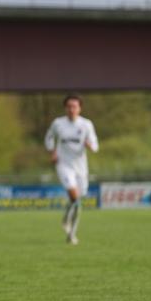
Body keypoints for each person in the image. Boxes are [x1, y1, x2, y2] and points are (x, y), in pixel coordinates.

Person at [45, 95, 98, 245]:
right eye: (69, 106)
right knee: (75, 197)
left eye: (74, 106)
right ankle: (72, 235)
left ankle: (67, 220)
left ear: (80, 108)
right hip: (64, 164)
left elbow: (95, 145)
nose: (72, 109)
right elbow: (49, 137)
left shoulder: (86, 125)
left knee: (77, 200)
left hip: (81, 167)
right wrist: (52, 151)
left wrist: (90, 146)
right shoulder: (58, 123)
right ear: (65, 108)